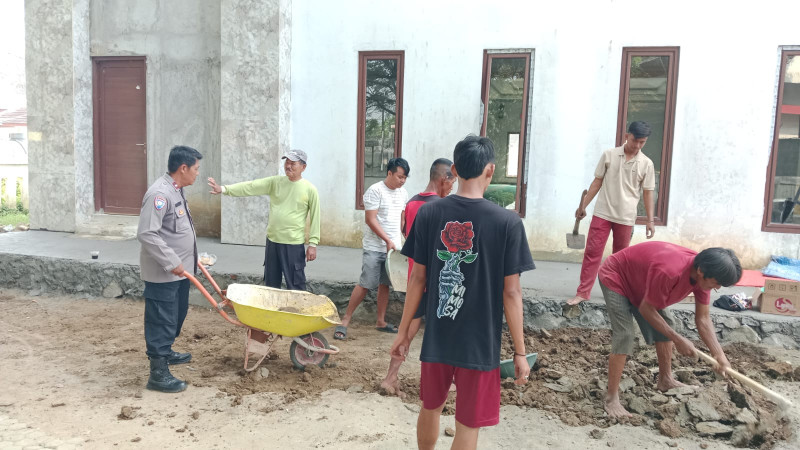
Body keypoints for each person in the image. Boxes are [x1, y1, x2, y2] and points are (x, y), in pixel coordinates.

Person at [390, 135, 535, 449]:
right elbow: (511, 294)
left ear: (454, 169)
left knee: (430, 405)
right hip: (479, 343)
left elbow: (417, 280)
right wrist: (520, 352)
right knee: (468, 424)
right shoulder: (508, 223)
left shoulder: (429, 214)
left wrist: (403, 334)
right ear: (491, 171)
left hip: (438, 336)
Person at [598, 242, 742, 418]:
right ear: (701, 272)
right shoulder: (670, 271)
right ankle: (611, 398)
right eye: (717, 283)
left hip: (642, 282)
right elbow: (646, 309)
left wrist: (719, 355)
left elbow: (703, 319)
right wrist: (678, 339)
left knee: (666, 323)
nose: (718, 288)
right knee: (625, 334)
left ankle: (665, 380)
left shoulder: (703, 274)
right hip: (617, 275)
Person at [380, 158, 455, 395]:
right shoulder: (442, 208)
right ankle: (443, 382)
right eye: (452, 183)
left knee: (407, 331)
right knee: (443, 332)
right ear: (444, 179)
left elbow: (407, 236)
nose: (452, 188)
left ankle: (390, 378)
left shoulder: (412, 203)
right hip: (436, 281)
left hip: (415, 278)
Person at [567, 121, 656, 306]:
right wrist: (583, 206)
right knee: (592, 253)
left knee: (620, 259)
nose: (638, 145)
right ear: (626, 136)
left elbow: (647, 193)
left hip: (626, 217)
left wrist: (650, 220)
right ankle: (583, 292)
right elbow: (596, 182)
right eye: (635, 140)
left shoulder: (647, 164)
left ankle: (618, 296)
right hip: (603, 213)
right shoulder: (609, 155)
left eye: (642, 142)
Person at [137, 145, 203, 393]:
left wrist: (193, 258)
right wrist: (171, 261)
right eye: (196, 169)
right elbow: (147, 234)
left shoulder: (176, 190)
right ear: (183, 168)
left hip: (180, 271)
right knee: (161, 320)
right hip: (164, 273)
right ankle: (158, 372)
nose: (198, 173)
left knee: (176, 315)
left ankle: (166, 351)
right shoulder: (159, 194)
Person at [207, 149, 320, 291]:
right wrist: (223, 189)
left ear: (303, 167)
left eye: (293, 163)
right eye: (287, 162)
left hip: (293, 244)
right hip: (273, 241)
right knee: (271, 285)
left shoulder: (310, 189)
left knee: (295, 285)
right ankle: (272, 312)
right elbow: (251, 186)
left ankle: (297, 312)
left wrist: (313, 244)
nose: (288, 166)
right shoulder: (275, 182)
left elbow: (316, 216)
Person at [335, 157, 410, 339]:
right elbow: (371, 219)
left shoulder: (403, 193)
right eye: (399, 176)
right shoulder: (375, 191)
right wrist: (386, 240)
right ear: (389, 173)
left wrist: (405, 237)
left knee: (385, 284)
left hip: (393, 250)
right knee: (366, 283)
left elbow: (401, 220)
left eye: (405, 177)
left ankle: (381, 321)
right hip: (374, 247)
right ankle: (344, 321)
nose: (402, 180)